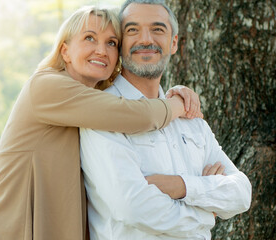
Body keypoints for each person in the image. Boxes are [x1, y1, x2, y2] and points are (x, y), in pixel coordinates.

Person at [0, 5, 202, 240]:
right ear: (65, 51)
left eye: (111, 43)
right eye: (90, 38)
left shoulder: (95, 101)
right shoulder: (46, 86)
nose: (102, 50)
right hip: (10, 232)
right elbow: (140, 115)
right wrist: (180, 103)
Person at [79, 1, 252, 239]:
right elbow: (133, 207)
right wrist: (204, 215)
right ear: (120, 44)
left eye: (158, 29)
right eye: (132, 30)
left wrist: (181, 186)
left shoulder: (188, 116)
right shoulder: (101, 113)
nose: (145, 39)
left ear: (173, 43)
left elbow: (241, 193)